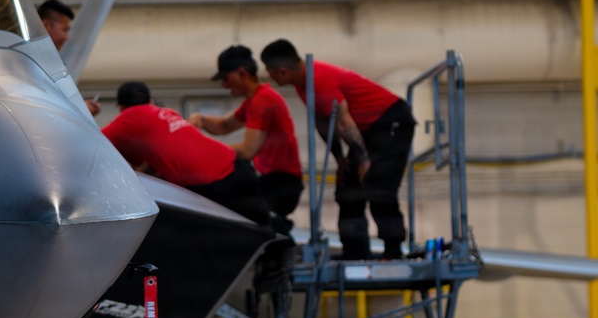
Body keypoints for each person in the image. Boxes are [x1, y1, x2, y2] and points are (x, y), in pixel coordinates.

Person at [260, 39, 416, 260]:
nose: (270, 78)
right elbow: (324, 123)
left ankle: (393, 250)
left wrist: (364, 160)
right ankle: (354, 250)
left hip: (390, 121)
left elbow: (343, 121)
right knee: (347, 188)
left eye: (270, 72)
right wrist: (341, 159)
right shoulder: (303, 85)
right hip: (366, 129)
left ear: (282, 71)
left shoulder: (319, 79)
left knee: (376, 183)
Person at [101, 81, 284, 229]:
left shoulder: (128, 118)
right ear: (151, 101)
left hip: (217, 181)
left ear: (121, 107)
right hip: (235, 166)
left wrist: (86, 112)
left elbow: (92, 141)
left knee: (255, 228)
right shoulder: (167, 113)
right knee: (262, 221)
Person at [188, 45, 303, 223]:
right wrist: (199, 118)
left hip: (281, 187)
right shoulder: (254, 100)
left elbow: (248, 150)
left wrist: (204, 150)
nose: (224, 85)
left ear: (241, 73)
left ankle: (276, 232)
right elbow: (225, 125)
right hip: (274, 182)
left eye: (226, 78)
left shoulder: (263, 100)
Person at [37, 0, 100, 116]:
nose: (66, 37)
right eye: (64, 30)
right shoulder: (30, 62)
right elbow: (46, 107)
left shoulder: (48, 61)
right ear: (46, 25)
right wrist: (82, 110)